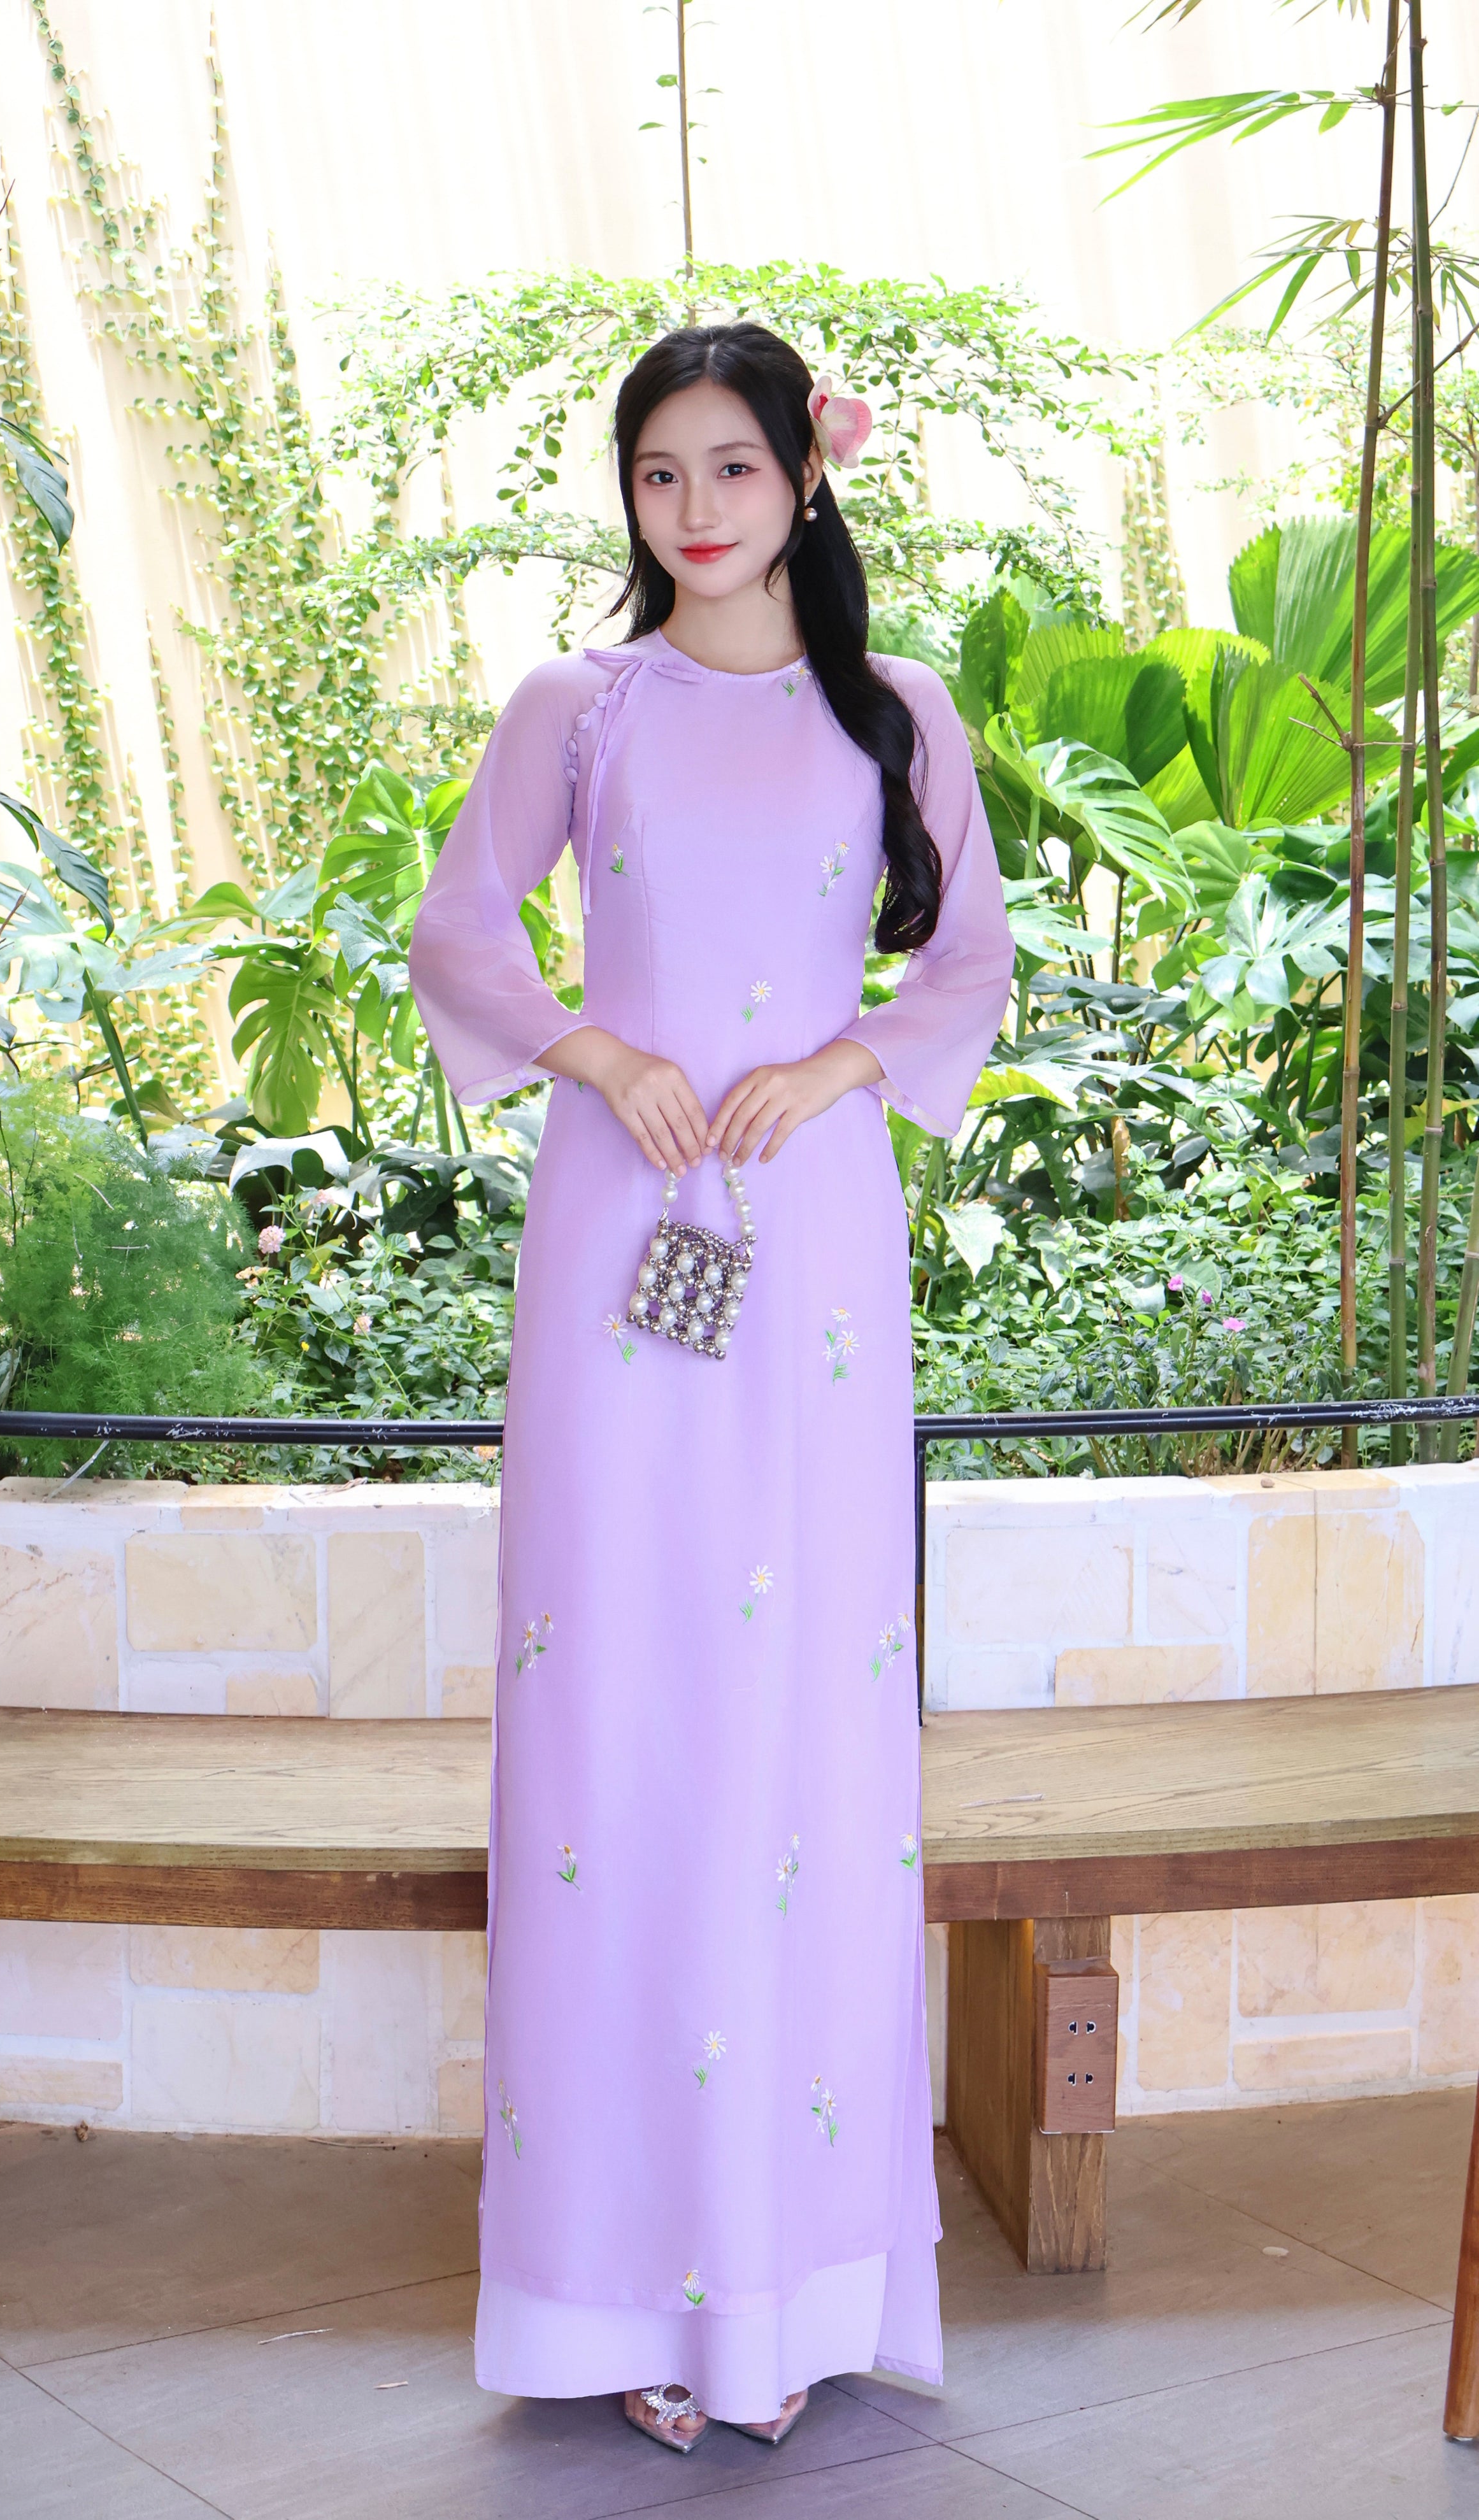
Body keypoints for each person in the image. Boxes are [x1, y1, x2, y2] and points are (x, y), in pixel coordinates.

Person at [408, 320, 1013, 2453]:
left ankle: (793, 2283)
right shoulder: (574, 710)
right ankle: (627, 2297)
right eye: (659, 473)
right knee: (625, 1724)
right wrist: (597, 1050)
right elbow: (460, 931)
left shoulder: (896, 712)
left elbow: (968, 969)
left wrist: (844, 1066)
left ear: (805, 479)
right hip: (621, 1245)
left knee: (802, 1731)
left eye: (733, 467)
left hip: (817, 1253)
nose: (695, 509)